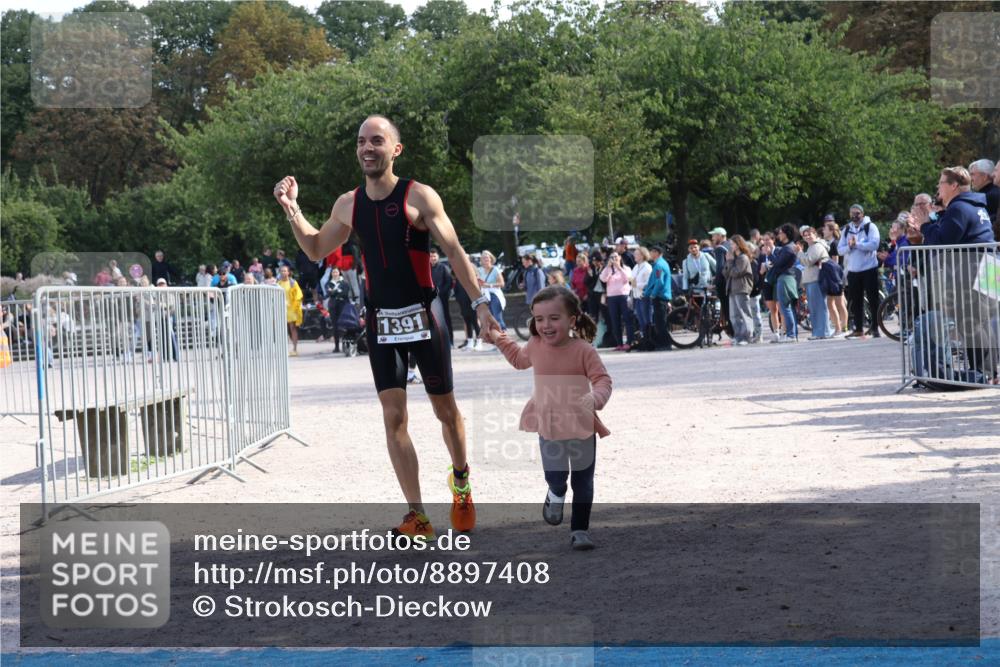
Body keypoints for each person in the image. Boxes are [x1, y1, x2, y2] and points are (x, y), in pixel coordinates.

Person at [274, 114, 500, 539]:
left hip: (424, 315)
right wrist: (293, 210)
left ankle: (462, 482)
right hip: (382, 321)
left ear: (395, 149)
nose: (367, 148)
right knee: (394, 416)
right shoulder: (349, 204)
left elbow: (454, 252)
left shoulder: (421, 197)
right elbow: (316, 246)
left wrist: (482, 305)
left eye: (376, 141)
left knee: (445, 413)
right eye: (361, 141)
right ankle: (417, 514)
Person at [492, 286, 612, 551]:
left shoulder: (584, 350)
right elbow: (518, 359)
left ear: (572, 320)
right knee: (557, 477)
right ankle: (555, 493)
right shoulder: (535, 345)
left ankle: (580, 530)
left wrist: (596, 397)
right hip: (548, 424)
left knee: (583, 481)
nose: (545, 325)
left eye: (554, 318)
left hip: (581, 426)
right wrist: (499, 338)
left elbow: (602, 380)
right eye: (539, 319)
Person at [838, 204, 881, 339]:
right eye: (852, 213)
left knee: (873, 300)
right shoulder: (846, 229)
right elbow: (840, 249)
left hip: (869, 268)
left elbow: (875, 244)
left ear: (862, 214)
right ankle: (858, 329)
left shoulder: (870, 227)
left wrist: (858, 245)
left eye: (857, 213)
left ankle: (875, 328)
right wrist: (850, 247)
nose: (854, 216)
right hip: (853, 270)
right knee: (856, 301)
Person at [798, 226, 834, 339]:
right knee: (814, 307)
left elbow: (808, 261)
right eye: (805, 235)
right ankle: (819, 332)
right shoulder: (811, 247)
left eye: (809, 234)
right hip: (811, 280)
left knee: (818, 307)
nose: (807, 236)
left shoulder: (817, 246)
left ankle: (822, 332)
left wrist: (799, 253)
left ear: (815, 234)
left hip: (816, 279)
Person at [770, 224, 800, 343]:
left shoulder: (787, 248)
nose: (779, 234)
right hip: (789, 278)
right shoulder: (790, 247)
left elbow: (778, 264)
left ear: (786, 234)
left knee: (785, 308)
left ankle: (791, 335)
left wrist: (769, 255)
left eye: (781, 232)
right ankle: (793, 334)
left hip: (785, 278)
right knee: (789, 308)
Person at [723, 235, 754, 345]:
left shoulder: (743, 258)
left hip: (741, 288)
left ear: (739, 244)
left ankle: (747, 337)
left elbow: (736, 273)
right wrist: (728, 262)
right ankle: (738, 336)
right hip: (732, 289)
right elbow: (725, 273)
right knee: (734, 315)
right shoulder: (734, 258)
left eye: (733, 243)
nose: (731, 246)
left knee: (744, 313)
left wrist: (730, 262)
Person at [600, 250, 634, 351]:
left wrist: (619, 267)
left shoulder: (626, 268)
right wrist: (608, 267)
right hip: (612, 297)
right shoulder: (608, 269)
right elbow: (603, 279)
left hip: (624, 295)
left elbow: (628, 279)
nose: (614, 259)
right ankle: (619, 343)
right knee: (615, 320)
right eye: (612, 257)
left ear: (620, 258)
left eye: (616, 257)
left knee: (627, 319)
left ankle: (629, 341)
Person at [644, 245, 673, 351]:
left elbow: (659, 282)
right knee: (660, 321)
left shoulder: (659, 265)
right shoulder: (659, 264)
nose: (650, 254)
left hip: (660, 297)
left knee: (661, 322)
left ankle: (665, 344)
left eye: (651, 251)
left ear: (657, 253)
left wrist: (653, 294)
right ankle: (663, 343)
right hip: (661, 296)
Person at [453, 257, 481, 350]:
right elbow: (456, 288)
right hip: (463, 302)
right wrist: (458, 299)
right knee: (467, 321)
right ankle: (470, 341)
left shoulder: (472, 276)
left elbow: (476, 289)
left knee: (474, 322)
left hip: (472, 302)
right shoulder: (459, 275)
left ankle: (479, 341)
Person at [326, 267, 354, 352]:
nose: (335, 274)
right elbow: (329, 293)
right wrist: (337, 291)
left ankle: (346, 345)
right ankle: (336, 346)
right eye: (333, 272)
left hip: (342, 305)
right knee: (335, 326)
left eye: (336, 272)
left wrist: (334, 292)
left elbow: (344, 293)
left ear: (339, 273)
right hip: (333, 306)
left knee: (344, 325)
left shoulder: (344, 283)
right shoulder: (329, 283)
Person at [430, 248, 454, 346]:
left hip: (442, 298)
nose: (432, 258)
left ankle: (450, 341)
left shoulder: (443, 268)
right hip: (430, 299)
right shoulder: (426, 268)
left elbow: (449, 282)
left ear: (438, 257)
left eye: (434, 256)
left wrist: (442, 293)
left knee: (445, 319)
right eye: (430, 256)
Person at [277, 265, 304, 356]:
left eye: (285, 271)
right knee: (282, 330)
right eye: (282, 271)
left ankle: (295, 349)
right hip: (281, 308)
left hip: (291, 309)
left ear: (288, 272)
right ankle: (284, 349)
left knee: (292, 328)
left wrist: (296, 305)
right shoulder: (278, 283)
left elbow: (298, 295)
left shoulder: (293, 282)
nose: (283, 273)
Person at [477, 250, 506, 333]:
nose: (485, 259)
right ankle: (497, 341)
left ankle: (503, 338)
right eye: (483, 258)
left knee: (497, 318)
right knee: (489, 320)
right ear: (481, 260)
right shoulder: (479, 270)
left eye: (487, 257)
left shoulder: (495, 269)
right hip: (484, 296)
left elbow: (502, 283)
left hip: (494, 295)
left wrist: (489, 285)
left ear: (491, 259)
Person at [969, 159, 998, 228]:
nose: (970, 178)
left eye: (972, 174)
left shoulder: (988, 197)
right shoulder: (988, 194)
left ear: (984, 176)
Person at [631, 247, 652, 340]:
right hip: (637, 296)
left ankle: (650, 339)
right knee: (640, 320)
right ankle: (645, 340)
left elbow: (649, 283)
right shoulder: (636, 267)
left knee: (647, 320)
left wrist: (637, 284)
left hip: (644, 296)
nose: (634, 256)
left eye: (636, 254)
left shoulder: (647, 267)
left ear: (642, 255)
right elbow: (632, 280)